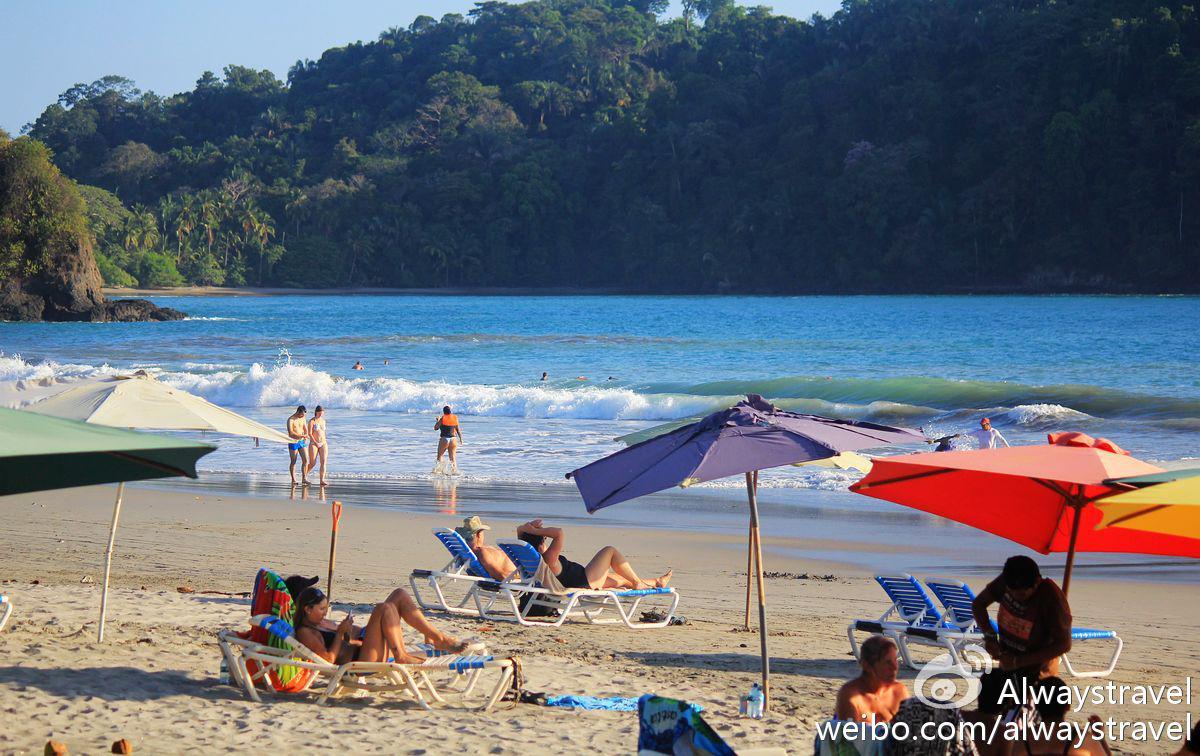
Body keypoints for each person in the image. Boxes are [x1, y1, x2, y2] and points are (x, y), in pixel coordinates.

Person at [292, 584, 470, 666]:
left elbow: (345, 639)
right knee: (383, 608)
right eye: (322, 609)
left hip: (365, 644)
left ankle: (438, 638)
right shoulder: (306, 632)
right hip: (362, 660)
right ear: (308, 609)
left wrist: (348, 630)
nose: (325, 612)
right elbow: (328, 660)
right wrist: (340, 633)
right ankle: (401, 656)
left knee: (399, 594)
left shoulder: (320, 622)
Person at [973, 556, 1071, 687]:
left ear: (1037, 583)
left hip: (1038, 674)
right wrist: (990, 637)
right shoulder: (1007, 580)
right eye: (1011, 592)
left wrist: (1018, 662)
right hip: (1008, 664)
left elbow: (1064, 644)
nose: (1015, 597)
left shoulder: (1051, 598)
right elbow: (978, 604)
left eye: (1022, 594)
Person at [515, 519, 671, 590]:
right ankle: (637, 583)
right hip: (584, 581)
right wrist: (535, 530)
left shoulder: (531, 558)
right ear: (541, 542)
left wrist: (528, 530)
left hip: (581, 579)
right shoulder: (549, 558)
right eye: (544, 538)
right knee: (609, 550)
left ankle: (657, 582)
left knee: (619, 579)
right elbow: (559, 533)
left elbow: (520, 532)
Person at [1004, 677, 1111, 756]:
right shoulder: (1082, 740)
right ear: (1067, 706)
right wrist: (1100, 738)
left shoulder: (1020, 740)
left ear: (1036, 706)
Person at [834, 635, 909, 723]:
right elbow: (848, 731)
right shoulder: (851, 696)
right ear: (867, 665)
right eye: (887, 662)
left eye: (895, 660)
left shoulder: (898, 691)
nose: (894, 667)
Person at [457, 515, 516, 580]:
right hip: (518, 572)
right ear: (479, 534)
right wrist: (520, 578)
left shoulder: (466, 552)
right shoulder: (483, 554)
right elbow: (502, 577)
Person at [433, 405, 463, 474]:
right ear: (450, 411)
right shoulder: (455, 418)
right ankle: (454, 472)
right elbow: (458, 429)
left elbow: (436, 428)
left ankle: (439, 471)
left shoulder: (443, 418)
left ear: (444, 412)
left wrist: (438, 420)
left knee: (440, 456)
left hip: (444, 439)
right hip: (453, 439)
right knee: (453, 458)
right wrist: (461, 439)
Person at [305, 405, 329, 486]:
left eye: (322, 413)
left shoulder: (323, 421)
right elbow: (309, 433)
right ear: (316, 412)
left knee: (323, 461)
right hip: (313, 443)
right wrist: (315, 442)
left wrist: (323, 441)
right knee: (312, 463)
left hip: (323, 443)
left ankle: (322, 480)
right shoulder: (312, 421)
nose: (321, 414)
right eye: (319, 413)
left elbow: (323, 432)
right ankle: (304, 476)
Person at [286, 405, 309, 485]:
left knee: (306, 460)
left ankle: (304, 479)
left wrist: (305, 435)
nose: (302, 416)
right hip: (293, 442)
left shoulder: (303, 418)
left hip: (301, 442)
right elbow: (291, 433)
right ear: (298, 412)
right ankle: (293, 479)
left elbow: (305, 429)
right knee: (293, 461)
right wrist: (301, 436)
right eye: (301, 414)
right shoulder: (290, 420)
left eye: (303, 415)